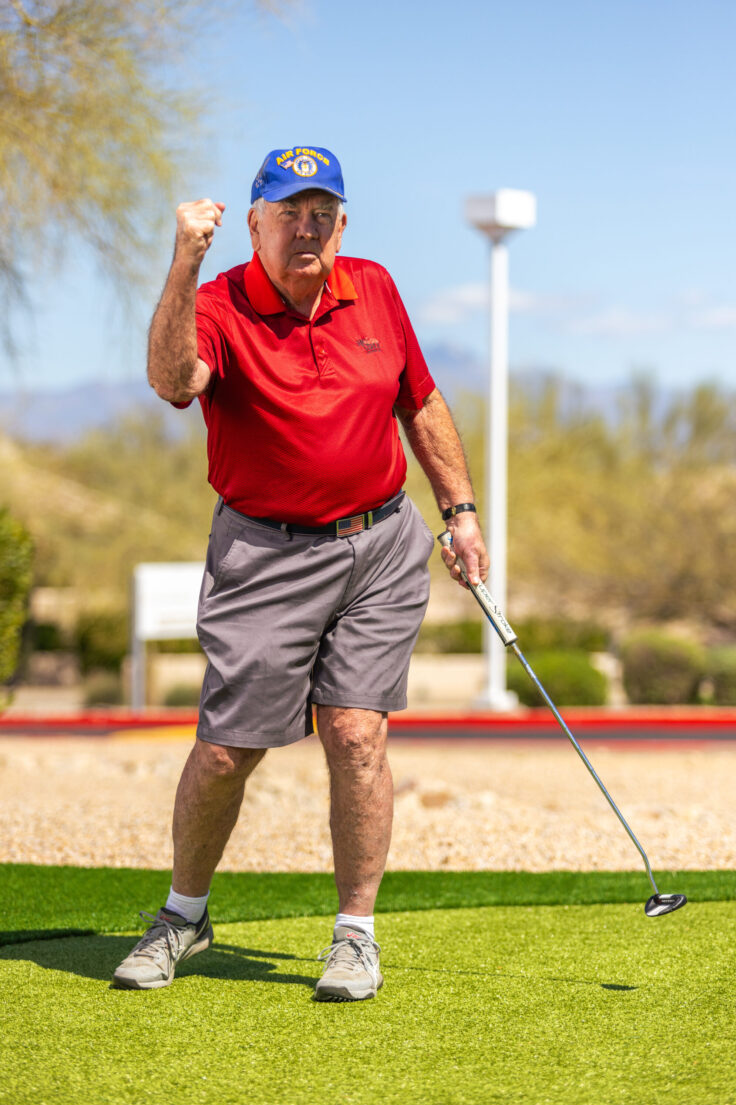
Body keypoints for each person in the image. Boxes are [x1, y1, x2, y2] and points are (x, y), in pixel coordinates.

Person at [112, 145, 488, 1001]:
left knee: (357, 732)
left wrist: (460, 510)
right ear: (254, 225)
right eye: (288, 211)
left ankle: (354, 933)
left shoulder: (377, 288)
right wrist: (183, 260)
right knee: (225, 752)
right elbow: (174, 380)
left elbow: (419, 401)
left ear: (343, 223)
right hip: (264, 554)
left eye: (322, 211)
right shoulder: (215, 303)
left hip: (380, 544)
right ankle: (184, 914)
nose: (306, 227)